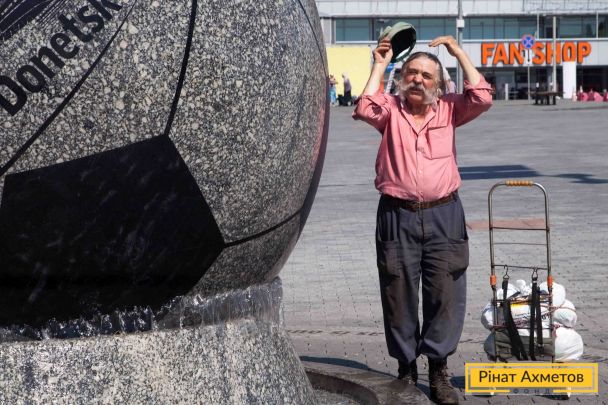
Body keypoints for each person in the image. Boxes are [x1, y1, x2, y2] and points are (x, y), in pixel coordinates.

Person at [353, 35, 492, 405]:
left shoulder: (450, 109)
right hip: (396, 215)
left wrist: (458, 53)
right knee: (397, 292)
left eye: (427, 75)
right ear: (402, 78)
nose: (417, 79)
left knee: (445, 293)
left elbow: (482, 97)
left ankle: (439, 369)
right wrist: (380, 64)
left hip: (445, 214)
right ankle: (406, 368)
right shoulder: (390, 111)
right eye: (412, 73)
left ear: (439, 84)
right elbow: (365, 107)